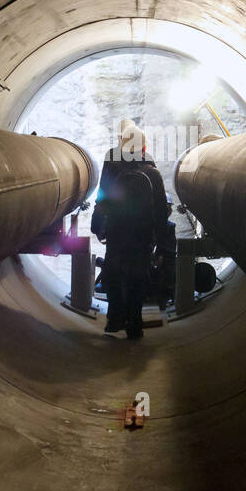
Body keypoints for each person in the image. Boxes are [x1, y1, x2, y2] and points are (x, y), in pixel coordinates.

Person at [91, 120, 170, 339]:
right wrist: (162, 244)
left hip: (117, 231)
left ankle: (115, 320)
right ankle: (135, 323)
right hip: (144, 235)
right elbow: (161, 210)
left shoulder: (113, 163)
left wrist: (97, 226)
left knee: (113, 273)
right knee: (138, 277)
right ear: (144, 148)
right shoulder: (152, 171)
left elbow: (102, 196)